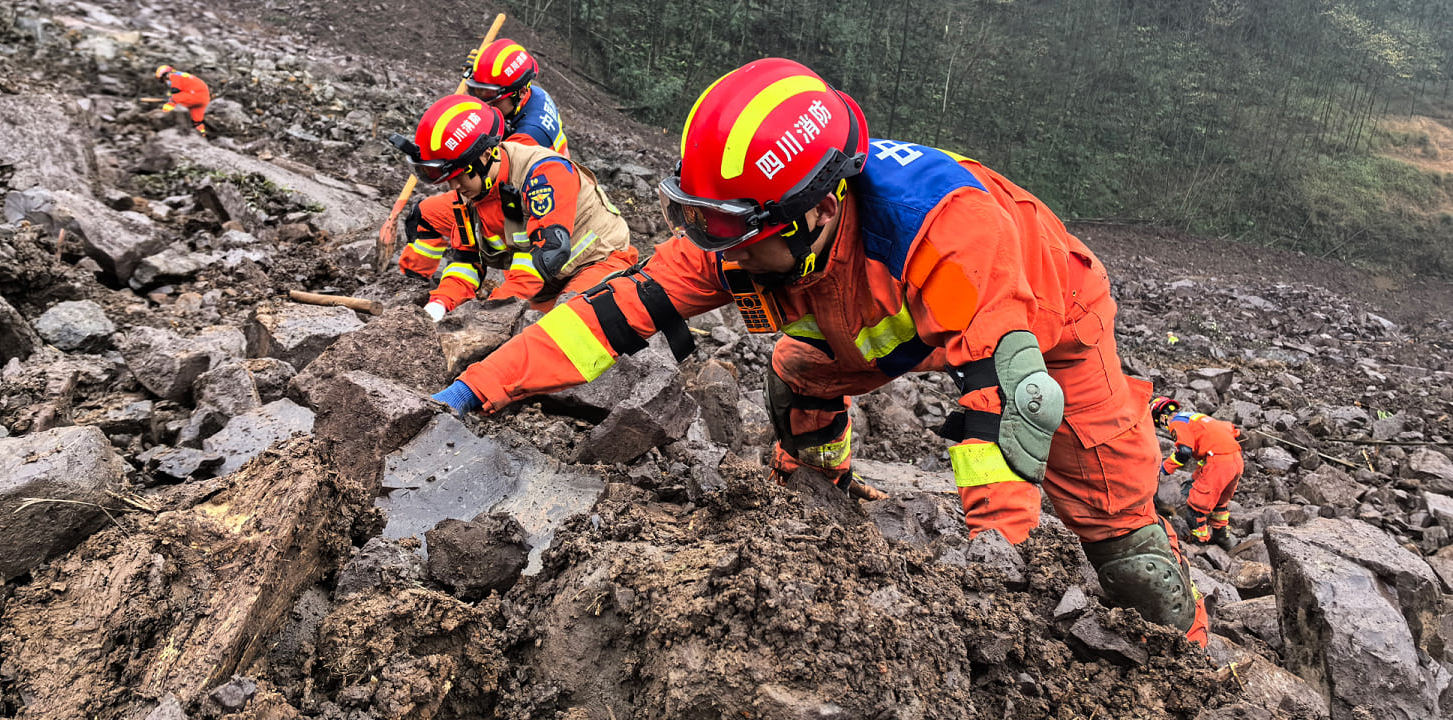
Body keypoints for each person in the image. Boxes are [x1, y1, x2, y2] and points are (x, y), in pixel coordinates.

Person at [433, 57, 1209, 645]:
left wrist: (988, 583)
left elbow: (1004, 409)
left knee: (1125, 544)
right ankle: (821, 493)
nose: (715, 251)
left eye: (734, 232)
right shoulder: (741, 232)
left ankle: (1194, 664)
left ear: (815, 209)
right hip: (873, 317)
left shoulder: (950, 232)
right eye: (701, 221)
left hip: (1044, 324)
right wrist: (472, 392)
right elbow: (605, 319)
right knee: (796, 380)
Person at [392, 94, 636, 320]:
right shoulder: (468, 195)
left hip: (599, 262)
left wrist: (492, 312)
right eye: (448, 177)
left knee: (562, 329)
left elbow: (549, 251)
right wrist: (438, 305)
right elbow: (466, 262)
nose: (454, 185)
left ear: (486, 154)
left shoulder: (544, 174)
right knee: (518, 337)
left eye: (459, 175)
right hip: (545, 285)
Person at [1152, 396, 1243, 546]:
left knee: (1196, 506)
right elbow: (1229, 431)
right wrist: (1197, 476)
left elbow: (1184, 451)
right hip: (1236, 460)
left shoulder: (1176, 423)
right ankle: (1222, 537)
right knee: (1219, 501)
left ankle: (1199, 542)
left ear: (1161, 417)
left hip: (1218, 464)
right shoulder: (1195, 417)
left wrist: (1163, 469)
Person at [463, 39, 569, 156]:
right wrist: (482, 71)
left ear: (521, 92)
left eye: (489, 94)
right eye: (477, 90)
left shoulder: (526, 137)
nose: (482, 102)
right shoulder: (535, 93)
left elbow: (488, 166)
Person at [155, 65, 209, 134]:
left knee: (172, 100)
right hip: (203, 98)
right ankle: (202, 133)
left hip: (194, 95)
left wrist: (169, 98)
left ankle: (164, 117)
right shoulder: (183, 76)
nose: (165, 81)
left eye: (163, 79)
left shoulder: (174, 75)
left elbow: (175, 90)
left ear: (166, 74)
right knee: (197, 120)